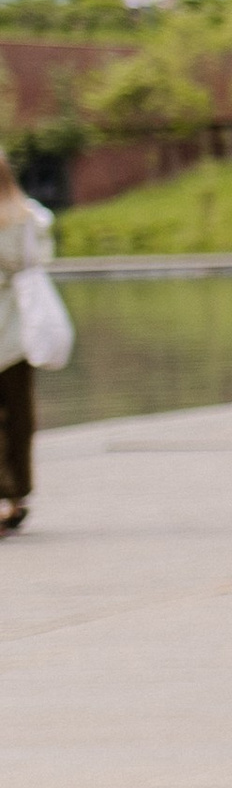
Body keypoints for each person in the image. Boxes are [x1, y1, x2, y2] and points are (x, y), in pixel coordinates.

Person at [0, 143, 59, 535]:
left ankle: (6, 496)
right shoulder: (28, 219)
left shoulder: (26, 219)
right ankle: (16, 494)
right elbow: (39, 263)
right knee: (20, 415)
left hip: (10, 326)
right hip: (18, 330)